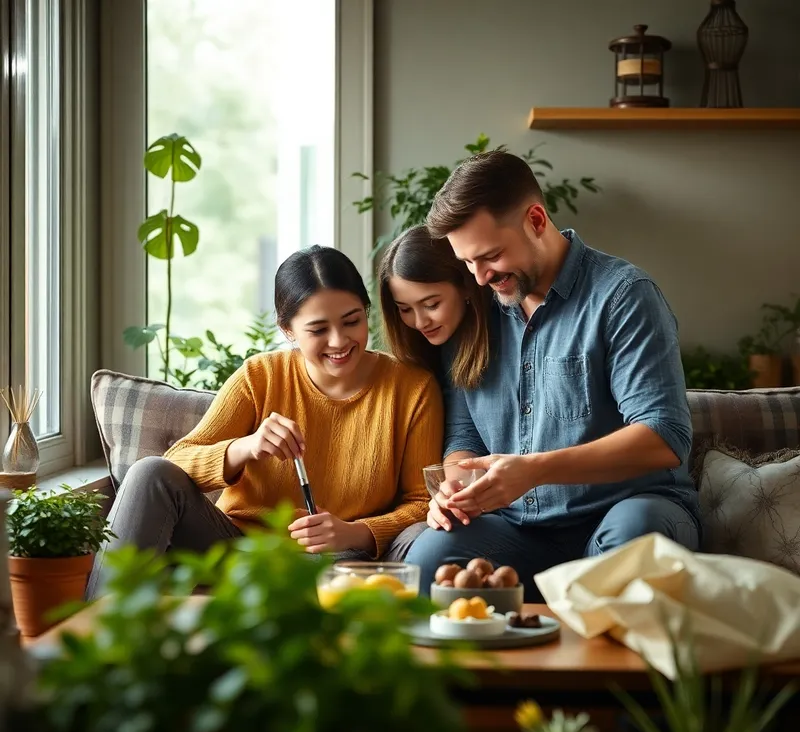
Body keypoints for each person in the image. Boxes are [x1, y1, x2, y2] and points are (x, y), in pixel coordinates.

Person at [399, 150, 701, 600]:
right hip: (520, 531)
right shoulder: (478, 312)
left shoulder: (624, 297)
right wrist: (455, 486)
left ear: (536, 220)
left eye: (491, 256)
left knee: (637, 539)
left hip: (628, 512)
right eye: (467, 263)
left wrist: (533, 471)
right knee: (428, 560)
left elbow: (664, 436)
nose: (480, 278)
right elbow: (466, 434)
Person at [85, 245, 443, 599]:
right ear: (288, 330)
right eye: (318, 330)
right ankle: (100, 634)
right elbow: (177, 461)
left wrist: (355, 532)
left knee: (424, 540)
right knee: (149, 473)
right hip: (239, 552)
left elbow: (421, 502)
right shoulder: (260, 376)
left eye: (352, 321)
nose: (339, 341)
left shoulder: (411, 389)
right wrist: (245, 447)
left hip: (344, 561)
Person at [378, 223, 492, 390]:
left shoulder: (504, 338)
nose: (420, 323)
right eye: (405, 309)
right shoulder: (416, 354)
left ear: (466, 287)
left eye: (431, 305)